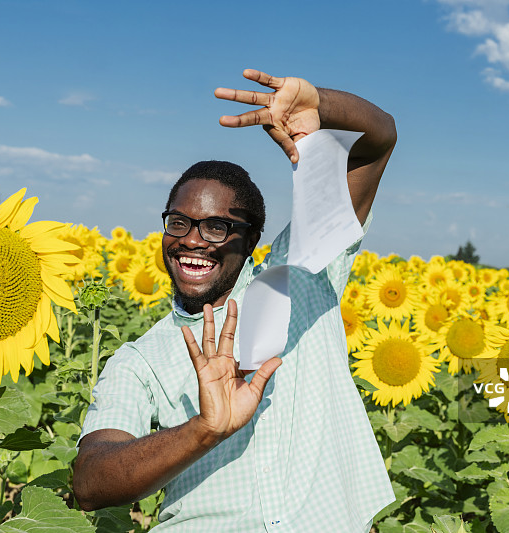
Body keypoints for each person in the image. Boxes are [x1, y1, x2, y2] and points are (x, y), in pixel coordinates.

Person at [73, 68, 397, 532]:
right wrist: (203, 431)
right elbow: (90, 481)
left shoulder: (302, 275)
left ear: (251, 240)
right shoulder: (139, 359)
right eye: (178, 223)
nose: (193, 241)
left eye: (217, 227)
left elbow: (379, 140)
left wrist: (318, 104)